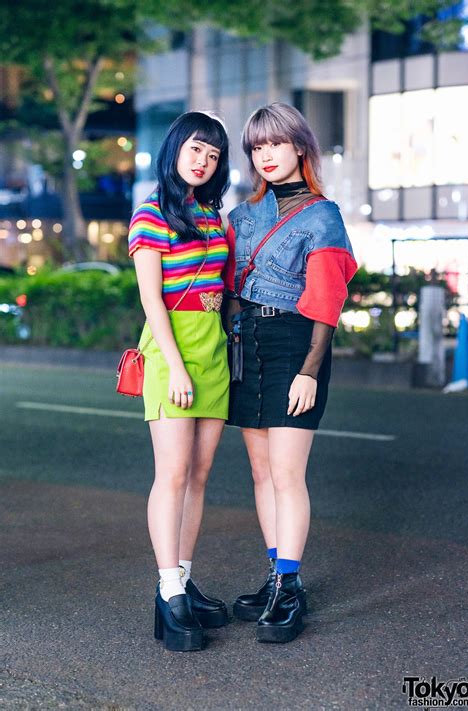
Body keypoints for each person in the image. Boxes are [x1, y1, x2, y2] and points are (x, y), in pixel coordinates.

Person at [224, 103, 358, 643]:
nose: (266, 156)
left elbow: (327, 300)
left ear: (300, 147)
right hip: (247, 342)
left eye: (275, 144)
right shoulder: (242, 215)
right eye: (257, 147)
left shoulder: (324, 216)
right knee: (260, 471)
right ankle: (276, 574)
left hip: (296, 343)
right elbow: (228, 285)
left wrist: (310, 369)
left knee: (286, 472)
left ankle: (290, 585)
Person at [128, 111, 232, 652]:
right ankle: (168, 594)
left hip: (212, 348)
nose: (203, 161)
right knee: (171, 474)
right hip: (173, 351)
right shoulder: (150, 216)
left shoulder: (213, 215)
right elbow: (151, 299)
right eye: (196, 149)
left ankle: (184, 583)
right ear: (174, 150)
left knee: (199, 473)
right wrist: (176, 364)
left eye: (213, 155)